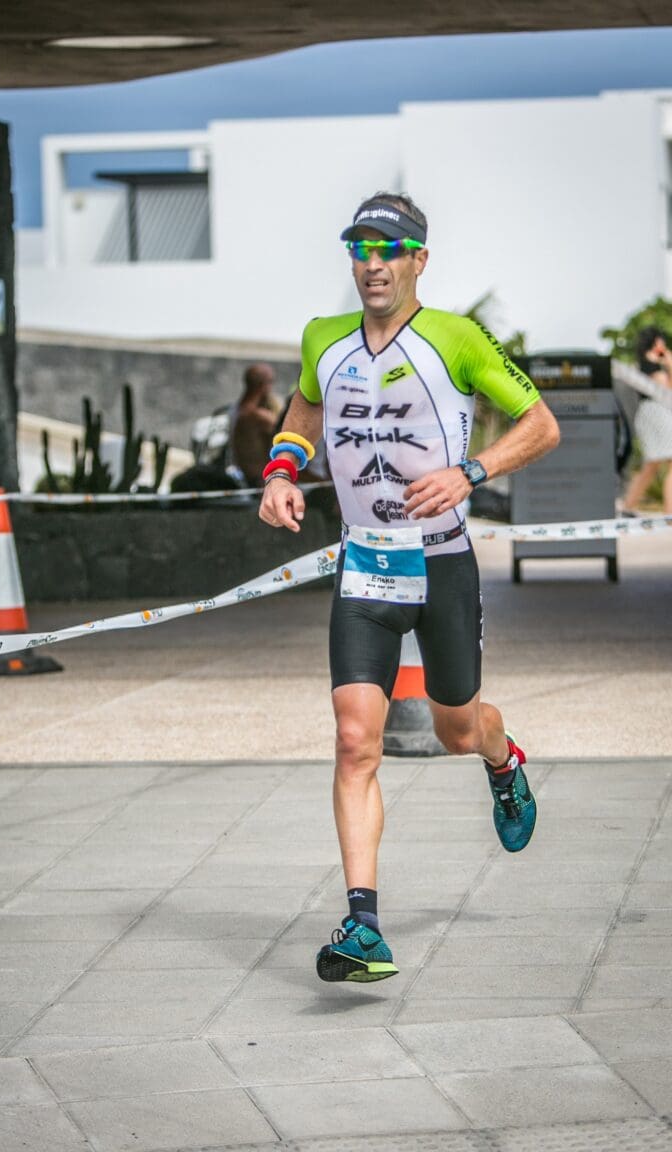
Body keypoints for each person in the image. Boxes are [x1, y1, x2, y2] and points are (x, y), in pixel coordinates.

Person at [258, 191, 560, 984]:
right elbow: (306, 404)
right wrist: (283, 469)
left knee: (459, 730)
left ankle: (503, 759)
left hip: (443, 566)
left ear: (419, 260)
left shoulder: (454, 337)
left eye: (388, 251)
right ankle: (363, 926)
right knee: (356, 740)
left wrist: (473, 471)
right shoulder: (323, 338)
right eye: (360, 250)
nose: (372, 265)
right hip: (366, 566)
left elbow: (542, 424)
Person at [621, 326, 672, 515]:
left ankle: (628, 506)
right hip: (656, 412)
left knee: (651, 465)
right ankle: (669, 513)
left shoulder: (646, 363)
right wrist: (669, 364)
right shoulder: (651, 363)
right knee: (663, 463)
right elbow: (665, 389)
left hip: (655, 412)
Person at [231, 363, 283, 487]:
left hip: (249, 477)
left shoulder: (236, 410)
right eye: (271, 382)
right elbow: (287, 433)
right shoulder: (257, 415)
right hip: (259, 480)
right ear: (263, 385)